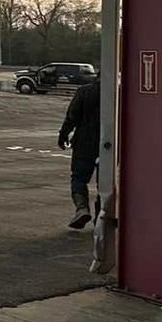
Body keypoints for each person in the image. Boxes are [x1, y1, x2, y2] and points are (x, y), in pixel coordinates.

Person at [57, 78, 102, 230]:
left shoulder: (84, 91)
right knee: (105, 184)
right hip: (109, 144)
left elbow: (72, 116)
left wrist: (63, 134)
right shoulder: (119, 92)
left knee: (78, 178)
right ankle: (100, 219)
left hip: (84, 143)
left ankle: (82, 208)